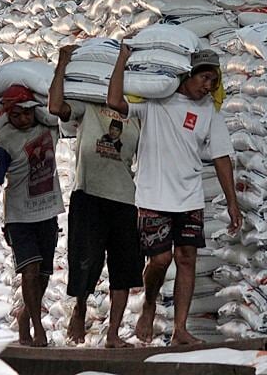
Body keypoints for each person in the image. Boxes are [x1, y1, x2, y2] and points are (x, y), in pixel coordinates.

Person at [107, 46, 242, 345]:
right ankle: (150, 303)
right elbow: (114, 101)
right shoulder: (156, 100)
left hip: (190, 196)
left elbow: (221, 157)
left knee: (186, 259)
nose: (208, 85)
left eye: (213, 80)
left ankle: (180, 329)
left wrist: (232, 203)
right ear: (188, 75)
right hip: (153, 195)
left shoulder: (209, 111)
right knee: (159, 259)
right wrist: (122, 59)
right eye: (204, 77)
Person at [48, 45, 144, 348]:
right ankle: (79, 308)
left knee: (124, 268)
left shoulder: (137, 115)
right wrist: (62, 63)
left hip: (125, 199)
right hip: (89, 195)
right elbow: (54, 107)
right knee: (85, 261)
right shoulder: (87, 107)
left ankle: (113, 334)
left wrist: (124, 61)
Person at [0, 85, 65, 347]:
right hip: (19, 217)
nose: (22, 120)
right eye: (16, 115)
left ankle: (23, 316)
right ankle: (36, 326)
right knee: (29, 271)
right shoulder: (3, 141)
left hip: (48, 212)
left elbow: (59, 109)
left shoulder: (49, 128)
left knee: (43, 275)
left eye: (26, 114)